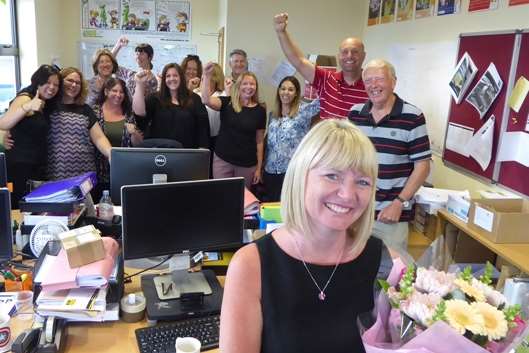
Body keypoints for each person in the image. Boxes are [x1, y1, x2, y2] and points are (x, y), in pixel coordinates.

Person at [220, 119, 384, 353]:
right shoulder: (250, 266)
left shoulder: (387, 264)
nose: (348, 195)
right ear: (301, 176)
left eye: (362, 181)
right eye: (332, 175)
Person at [348, 59, 431, 251]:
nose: (373, 85)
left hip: (390, 215)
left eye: (379, 79)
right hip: (356, 212)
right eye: (368, 81)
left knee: (390, 275)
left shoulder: (412, 117)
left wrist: (400, 202)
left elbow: (423, 166)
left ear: (394, 82)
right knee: (350, 270)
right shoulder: (355, 114)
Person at [273, 12, 368, 119]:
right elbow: (299, 61)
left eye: (355, 52)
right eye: (345, 52)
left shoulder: (371, 85)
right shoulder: (326, 80)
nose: (349, 56)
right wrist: (281, 33)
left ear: (364, 56)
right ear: (339, 56)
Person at [0, 65, 61, 208]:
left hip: (36, 167)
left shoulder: (47, 102)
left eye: (56, 85)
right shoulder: (26, 97)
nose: (52, 87)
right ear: (38, 82)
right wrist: (27, 107)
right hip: (19, 168)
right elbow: (3, 123)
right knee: (18, 208)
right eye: (48, 82)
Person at [201, 62, 266, 188]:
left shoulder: (260, 110)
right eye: (245, 83)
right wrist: (206, 76)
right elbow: (206, 100)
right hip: (223, 161)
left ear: (256, 87)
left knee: (242, 199)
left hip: (247, 165)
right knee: (221, 196)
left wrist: (259, 168)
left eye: (252, 84)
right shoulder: (228, 103)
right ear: (239, 86)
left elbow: (259, 141)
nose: (249, 87)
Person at [46, 67, 112, 180]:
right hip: (55, 173)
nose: (74, 85)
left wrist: (111, 154)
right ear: (60, 81)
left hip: (85, 174)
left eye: (78, 83)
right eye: (70, 80)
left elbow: (99, 138)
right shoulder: (48, 107)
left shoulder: (85, 109)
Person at [263, 76, 320, 201]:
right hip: (270, 171)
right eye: (283, 89)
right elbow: (269, 144)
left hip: (292, 172)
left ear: (296, 93)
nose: (286, 92)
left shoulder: (304, 111)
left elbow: (324, 100)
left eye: (290, 89)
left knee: (289, 207)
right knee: (272, 209)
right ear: (278, 91)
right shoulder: (273, 114)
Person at [133, 63, 210, 149]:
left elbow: (203, 127)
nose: (172, 79)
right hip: (159, 155)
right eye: (168, 76)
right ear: (164, 79)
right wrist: (139, 84)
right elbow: (139, 113)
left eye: (175, 75)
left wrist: (203, 150)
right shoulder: (155, 98)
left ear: (181, 77)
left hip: (187, 152)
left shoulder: (194, 99)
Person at [92, 77, 142, 195]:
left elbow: (138, 144)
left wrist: (134, 133)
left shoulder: (128, 113)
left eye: (121, 92)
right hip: (98, 173)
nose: (118, 95)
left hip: (123, 172)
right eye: (114, 91)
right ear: (106, 91)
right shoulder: (94, 112)